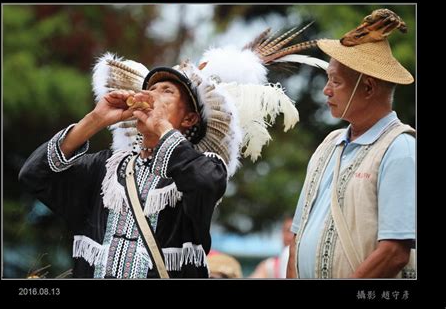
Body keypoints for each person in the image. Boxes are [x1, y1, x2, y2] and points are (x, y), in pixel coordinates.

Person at [19, 25, 323, 278]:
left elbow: (205, 182)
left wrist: (163, 129)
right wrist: (95, 119)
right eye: (150, 89)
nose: (151, 96)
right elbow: (33, 175)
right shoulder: (105, 168)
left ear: (189, 118)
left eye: (167, 91)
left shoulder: (202, 168)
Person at [287, 9, 416, 279]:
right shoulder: (328, 144)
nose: (326, 89)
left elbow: (395, 252)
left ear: (368, 88)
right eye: (328, 79)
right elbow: (297, 237)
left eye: (336, 81)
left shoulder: (399, 148)